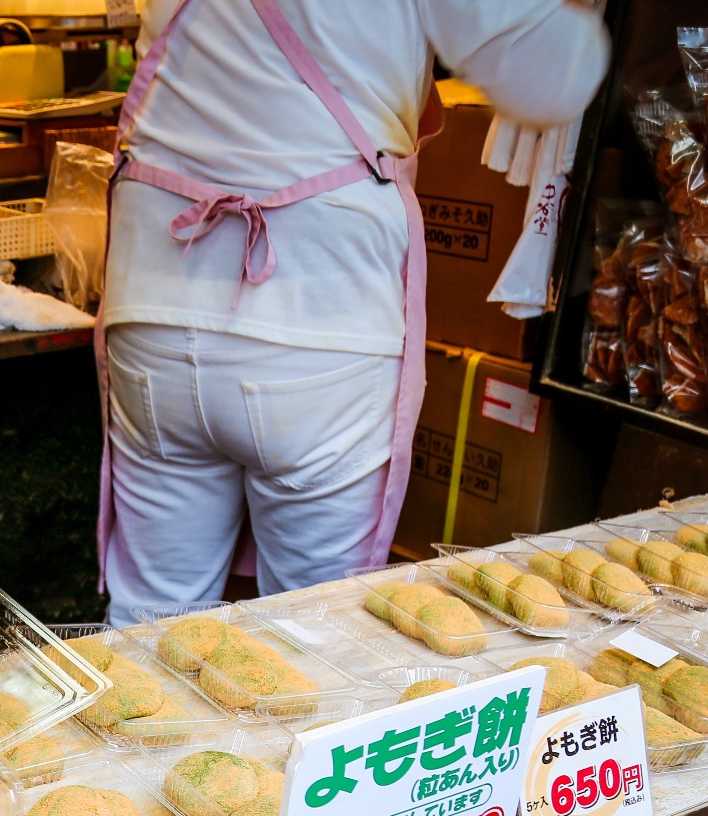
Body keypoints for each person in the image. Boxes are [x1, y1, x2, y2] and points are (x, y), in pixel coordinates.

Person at [98, 0, 609, 623]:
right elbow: (556, 73)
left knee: (150, 621)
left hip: (152, 308)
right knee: (314, 634)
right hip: (319, 330)